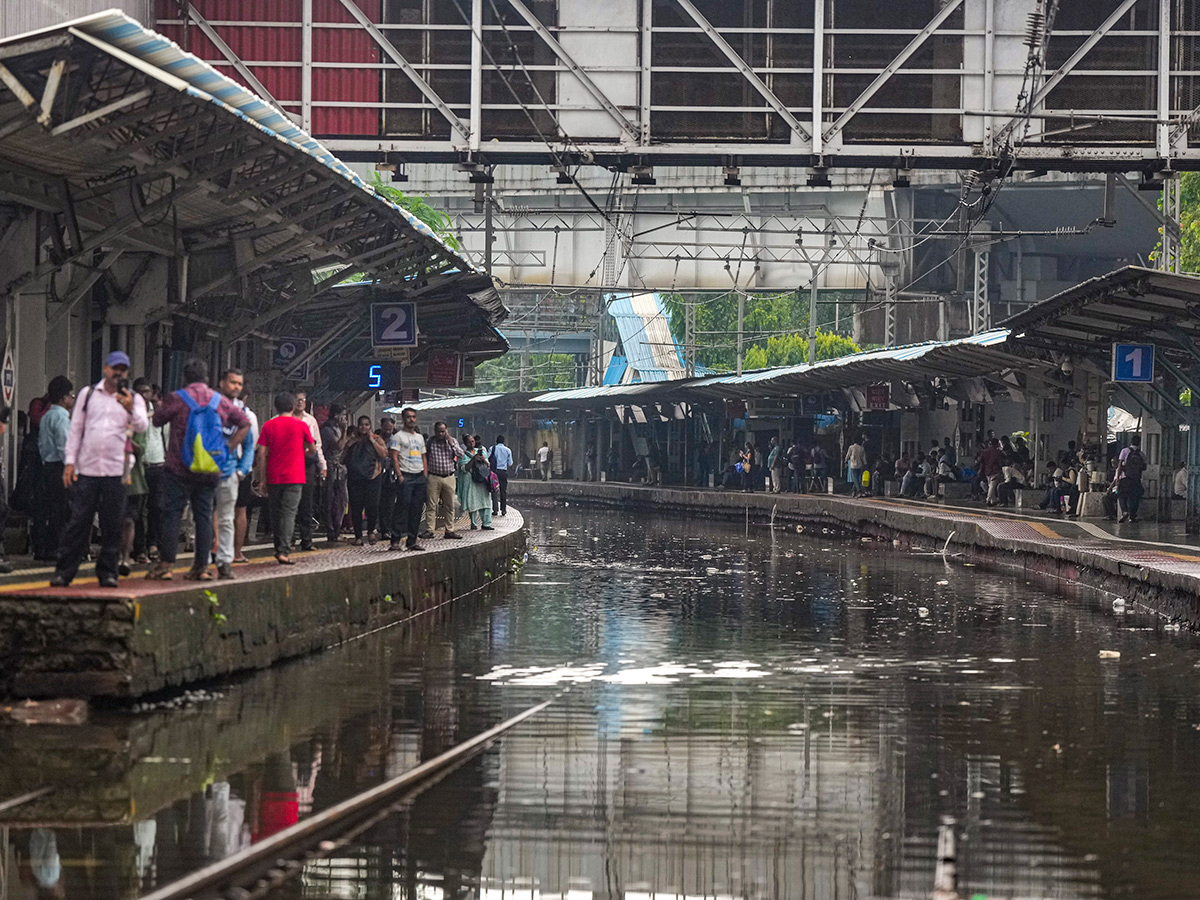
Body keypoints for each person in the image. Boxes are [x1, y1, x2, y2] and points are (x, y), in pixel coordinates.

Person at [49, 351, 148, 588]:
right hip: (88, 468)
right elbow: (76, 429)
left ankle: (107, 571)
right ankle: (65, 571)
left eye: (123, 370)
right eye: (115, 368)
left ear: (127, 373)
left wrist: (130, 408)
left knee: (112, 523)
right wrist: (70, 462)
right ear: (106, 369)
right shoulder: (88, 393)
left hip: (117, 469)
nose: (118, 373)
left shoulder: (133, 398)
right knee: (79, 521)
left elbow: (142, 426)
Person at [147, 358, 250, 581]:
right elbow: (244, 423)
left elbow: (156, 421)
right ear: (206, 377)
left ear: (185, 377)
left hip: (178, 467)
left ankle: (165, 566)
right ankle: (201, 567)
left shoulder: (178, 398)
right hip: (210, 467)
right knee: (204, 516)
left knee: (172, 514)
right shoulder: (219, 400)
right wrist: (228, 446)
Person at [253, 391, 315, 565]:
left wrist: (262, 478)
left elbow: (261, 453)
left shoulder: (268, 425)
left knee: (276, 513)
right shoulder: (301, 425)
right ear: (293, 406)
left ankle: (277, 546)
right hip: (295, 476)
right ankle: (283, 550)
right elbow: (313, 449)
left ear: (276, 406)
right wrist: (301, 451)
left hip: (273, 475)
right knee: (289, 513)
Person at [212, 369, 255, 580]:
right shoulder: (209, 407)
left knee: (227, 518)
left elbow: (250, 446)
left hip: (230, 472)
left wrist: (242, 470)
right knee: (204, 517)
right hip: (205, 471)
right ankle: (204, 560)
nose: (236, 387)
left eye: (239, 384)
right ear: (221, 383)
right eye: (232, 382)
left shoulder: (243, 414)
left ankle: (225, 561)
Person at [34, 376, 73, 562]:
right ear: (64, 397)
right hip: (61, 467)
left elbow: (42, 445)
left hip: (48, 466)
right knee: (63, 510)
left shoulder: (47, 416)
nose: (72, 400)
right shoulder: (61, 417)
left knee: (50, 508)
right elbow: (65, 446)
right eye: (71, 395)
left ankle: (44, 547)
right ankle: (57, 548)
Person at [342, 415, 388, 545]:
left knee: (372, 506)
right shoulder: (352, 440)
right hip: (355, 478)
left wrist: (372, 441)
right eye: (361, 425)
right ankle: (358, 535)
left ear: (370, 426)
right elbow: (343, 457)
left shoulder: (377, 439)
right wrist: (349, 444)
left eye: (366, 425)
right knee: (356, 507)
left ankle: (370, 531)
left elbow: (384, 454)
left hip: (373, 477)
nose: (364, 427)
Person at [389, 407, 428, 551]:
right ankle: (395, 540)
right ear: (403, 419)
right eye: (408, 417)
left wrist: (425, 474)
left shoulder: (419, 437)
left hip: (419, 477)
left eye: (413, 417)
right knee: (402, 507)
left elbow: (423, 456)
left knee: (416, 510)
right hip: (405, 476)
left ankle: (412, 541)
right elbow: (394, 456)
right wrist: (399, 475)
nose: (411, 420)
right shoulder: (398, 437)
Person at [136, 379, 166, 562]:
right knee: (136, 509)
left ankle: (153, 544)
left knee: (157, 507)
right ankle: (139, 548)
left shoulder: (159, 414)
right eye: (140, 391)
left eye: (146, 391)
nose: (143, 395)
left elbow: (168, 437)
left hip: (158, 464)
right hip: (138, 465)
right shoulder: (129, 413)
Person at [292, 390, 325, 552]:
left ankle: (306, 540)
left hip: (307, 465)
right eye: (297, 399)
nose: (300, 402)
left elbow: (317, 445)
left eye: (303, 400)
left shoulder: (310, 421)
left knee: (306, 503)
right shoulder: (284, 419)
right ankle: (289, 539)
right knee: (290, 503)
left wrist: (322, 465)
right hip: (290, 463)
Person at [231, 386, 260, 564]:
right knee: (240, 510)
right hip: (243, 468)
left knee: (218, 511)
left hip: (221, 467)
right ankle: (237, 552)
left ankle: (218, 548)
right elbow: (253, 444)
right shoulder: (250, 416)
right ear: (246, 397)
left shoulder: (218, 410)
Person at [422, 420, 463, 540]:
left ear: (446, 431)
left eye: (443, 431)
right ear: (435, 431)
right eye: (439, 431)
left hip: (449, 476)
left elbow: (461, 454)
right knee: (431, 505)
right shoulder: (430, 442)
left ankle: (449, 530)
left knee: (449, 505)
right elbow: (424, 457)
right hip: (433, 476)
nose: (441, 434)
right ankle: (430, 530)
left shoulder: (452, 441)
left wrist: (451, 444)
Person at [119, 425, 148, 577]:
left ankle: (125, 557)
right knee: (112, 519)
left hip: (133, 481)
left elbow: (141, 449)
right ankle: (115, 555)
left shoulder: (138, 427)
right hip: (111, 477)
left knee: (129, 520)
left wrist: (127, 439)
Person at [320, 404, 349, 543]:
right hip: (330, 467)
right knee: (330, 499)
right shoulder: (327, 430)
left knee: (342, 499)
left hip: (340, 468)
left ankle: (337, 527)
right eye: (342, 415)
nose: (344, 418)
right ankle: (332, 530)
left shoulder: (336, 428)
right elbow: (340, 446)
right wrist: (345, 431)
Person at [458, 435, 495, 531]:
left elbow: (488, 465)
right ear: (466, 444)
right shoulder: (463, 455)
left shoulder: (482, 451)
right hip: (471, 481)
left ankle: (486, 523)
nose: (472, 443)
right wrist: (473, 459)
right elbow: (464, 468)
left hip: (483, 481)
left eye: (473, 441)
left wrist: (483, 460)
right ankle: (473, 523)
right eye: (469, 442)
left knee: (485, 502)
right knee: (473, 502)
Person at [1116, 435, 1147, 523]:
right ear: (1139, 443)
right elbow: (1144, 468)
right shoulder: (1141, 454)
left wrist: (1118, 478)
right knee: (1134, 497)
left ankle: (1125, 511)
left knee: (1121, 495)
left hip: (1125, 478)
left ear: (1131, 441)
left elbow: (1120, 466)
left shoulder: (1124, 451)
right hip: (1136, 479)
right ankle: (1132, 516)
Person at [376, 417, 397, 540]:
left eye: (390, 429)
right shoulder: (375, 439)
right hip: (376, 474)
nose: (388, 432)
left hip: (391, 475)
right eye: (386, 429)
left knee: (389, 504)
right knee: (377, 503)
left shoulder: (397, 441)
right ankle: (378, 526)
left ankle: (386, 529)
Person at [490, 434, 513, 516]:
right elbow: (510, 463)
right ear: (504, 441)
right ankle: (503, 510)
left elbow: (488, 459)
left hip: (494, 473)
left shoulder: (492, 448)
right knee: (503, 491)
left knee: (494, 491)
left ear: (496, 441)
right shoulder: (508, 450)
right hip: (503, 472)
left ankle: (495, 510)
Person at [977, 438, 1004, 506]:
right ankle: (988, 499)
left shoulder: (985, 451)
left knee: (990, 485)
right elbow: (1000, 462)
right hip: (995, 470)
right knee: (992, 486)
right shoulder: (997, 452)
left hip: (987, 471)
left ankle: (993, 500)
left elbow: (980, 461)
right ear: (997, 444)